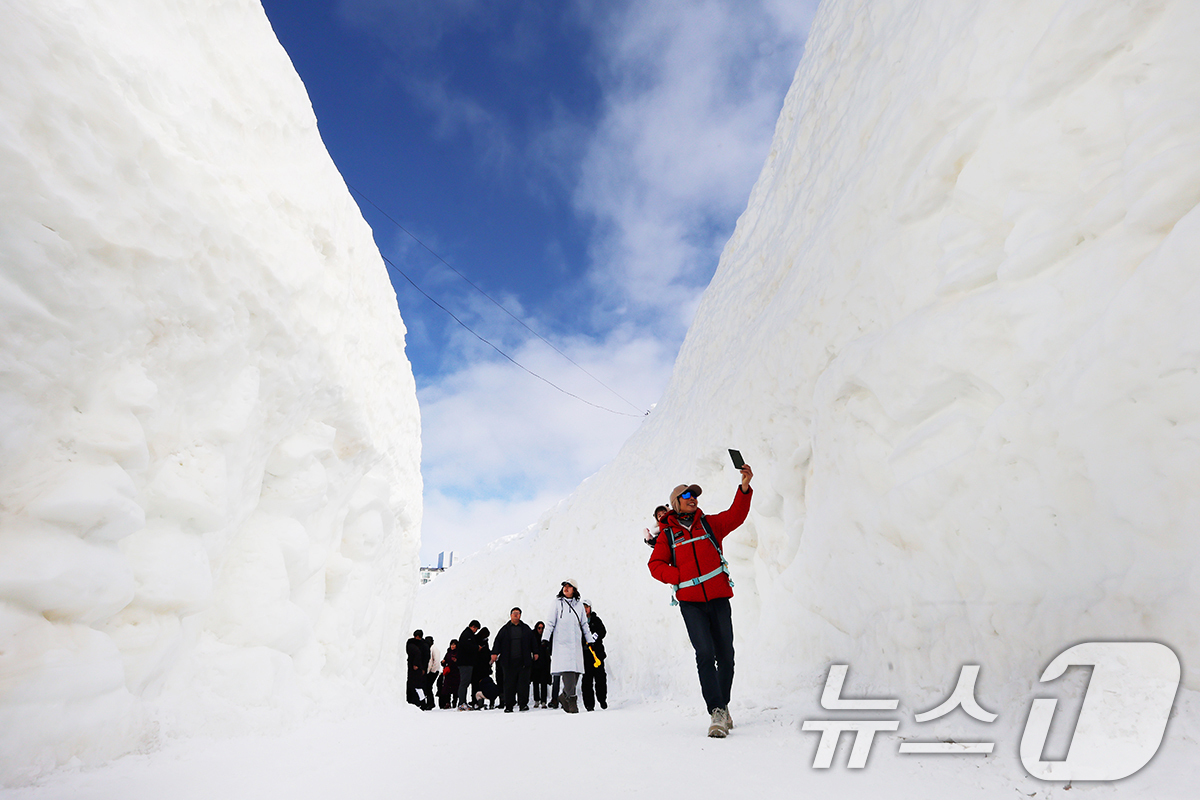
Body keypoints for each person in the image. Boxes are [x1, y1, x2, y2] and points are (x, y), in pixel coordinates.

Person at [648, 464, 753, 738]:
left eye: (694, 495)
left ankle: (723, 703)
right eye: (686, 496)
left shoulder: (709, 524)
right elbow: (655, 564)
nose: (693, 498)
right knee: (705, 654)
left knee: (726, 657)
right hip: (691, 604)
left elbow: (736, 515)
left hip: (718, 598)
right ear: (676, 504)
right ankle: (716, 711)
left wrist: (743, 487)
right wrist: (678, 575)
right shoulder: (669, 535)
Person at [542, 578, 596, 714]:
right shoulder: (556, 603)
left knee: (576, 672)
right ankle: (572, 700)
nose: (566, 588)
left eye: (569, 586)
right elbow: (550, 623)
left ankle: (564, 696)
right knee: (568, 672)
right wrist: (545, 639)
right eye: (564, 586)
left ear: (574, 590)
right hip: (562, 644)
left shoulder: (579, 605)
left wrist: (589, 640)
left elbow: (584, 624)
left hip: (575, 644)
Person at [490, 607, 538, 712]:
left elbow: (533, 641)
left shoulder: (526, 628)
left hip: (523, 662)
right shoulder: (505, 629)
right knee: (509, 685)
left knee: (523, 684)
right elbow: (497, 641)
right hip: (508, 662)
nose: (516, 615)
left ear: (520, 615)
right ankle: (509, 705)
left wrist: (535, 652)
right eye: (514, 613)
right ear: (510, 615)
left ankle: (523, 704)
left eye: (518, 613)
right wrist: (494, 653)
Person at [580, 601, 607, 711]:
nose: (585, 609)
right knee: (587, 681)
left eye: (587, 607)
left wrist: (596, 635)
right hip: (585, 656)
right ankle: (589, 704)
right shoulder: (578, 621)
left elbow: (603, 631)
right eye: (583, 607)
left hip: (597, 655)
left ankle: (602, 699)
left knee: (600, 678)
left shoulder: (596, 620)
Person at [455, 620, 480, 710]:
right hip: (465, 663)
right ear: (473, 626)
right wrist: (477, 647)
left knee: (465, 682)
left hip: (466, 662)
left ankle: (463, 702)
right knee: (464, 683)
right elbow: (468, 647)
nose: (475, 631)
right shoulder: (467, 635)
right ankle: (461, 703)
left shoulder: (467, 634)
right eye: (476, 629)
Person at [406, 629, 428, 708]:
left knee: (415, 686)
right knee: (418, 686)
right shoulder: (424, 645)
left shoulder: (411, 644)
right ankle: (420, 702)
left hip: (414, 668)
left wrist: (416, 664)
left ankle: (420, 702)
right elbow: (426, 658)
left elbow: (417, 654)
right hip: (419, 668)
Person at [531, 621, 551, 708]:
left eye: (542, 628)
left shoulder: (546, 638)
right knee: (535, 683)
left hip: (544, 664)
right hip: (535, 664)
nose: (541, 630)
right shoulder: (533, 637)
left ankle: (543, 701)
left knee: (544, 683)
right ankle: (536, 700)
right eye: (539, 628)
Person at [438, 640, 460, 708]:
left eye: (454, 645)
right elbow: (445, 661)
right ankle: (447, 702)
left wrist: (456, 661)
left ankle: (454, 702)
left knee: (455, 688)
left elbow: (461, 662)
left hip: (456, 673)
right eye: (451, 645)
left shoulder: (459, 653)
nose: (452, 646)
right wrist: (443, 662)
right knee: (447, 688)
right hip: (449, 673)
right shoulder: (448, 652)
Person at [423, 636, 440, 710]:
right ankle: (430, 702)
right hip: (431, 671)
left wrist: (433, 670)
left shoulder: (434, 649)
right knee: (428, 687)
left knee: (428, 687)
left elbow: (436, 660)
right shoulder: (430, 648)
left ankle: (431, 703)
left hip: (433, 671)